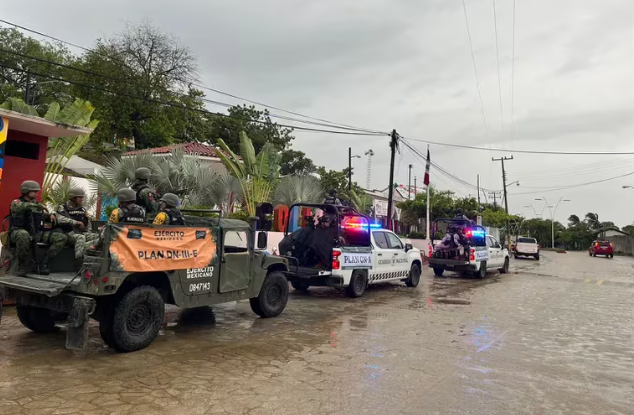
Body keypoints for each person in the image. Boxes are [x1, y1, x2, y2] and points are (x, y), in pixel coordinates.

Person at [8, 181, 68, 276]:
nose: (37, 193)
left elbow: (40, 215)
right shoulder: (17, 202)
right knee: (23, 235)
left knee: (61, 237)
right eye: (34, 191)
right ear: (26, 191)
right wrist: (39, 205)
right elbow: (22, 207)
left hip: (35, 232)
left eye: (37, 191)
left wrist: (50, 215)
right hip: (18, 231)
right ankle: (21, 265)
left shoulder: (37, 204)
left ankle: (43, 263)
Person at [56, 187, 99, 259]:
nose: (82, 199)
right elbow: (59, 219)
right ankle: (79, 259)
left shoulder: (82, 209)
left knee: (98, 237)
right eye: (80, 197)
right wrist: (76, 222)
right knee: (81, 238)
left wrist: (89, 231)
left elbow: (88, 223)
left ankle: (88, 250)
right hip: (68, 234)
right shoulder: (62, 207)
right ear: (73, 197)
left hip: (81, 232)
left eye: (82, 197)